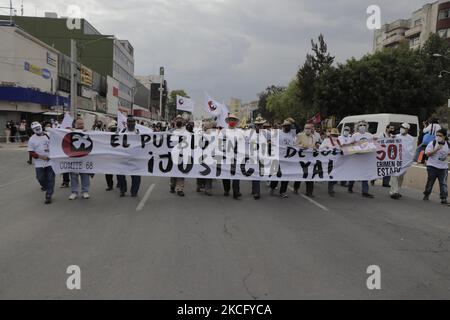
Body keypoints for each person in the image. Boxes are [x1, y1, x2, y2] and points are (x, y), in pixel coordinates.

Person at [28, 122, 55, 204]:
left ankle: (49, 195)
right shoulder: (32, 139)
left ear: (41, 126)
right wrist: (41, 157)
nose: (37, 129)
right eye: (35, 128)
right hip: (39, 163)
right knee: (40, 178)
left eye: (38, 127)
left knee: (51, 179)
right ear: (33, 130)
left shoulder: (48, 135)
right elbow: (31, 152)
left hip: (50, 162)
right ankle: (47, 187)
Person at [347, 120, 375, 198]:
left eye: (364, 125)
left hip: (366, 158)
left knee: (365, 174)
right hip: (356, 157)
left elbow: (373, 144)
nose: (362, 126)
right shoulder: (355, 135)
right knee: (354, 173)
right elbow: (350, 145)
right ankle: (350, 186)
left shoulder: (369, 135)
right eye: (360, 125)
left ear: (366, 126)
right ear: (358, 127)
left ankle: (365, 191)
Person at [423, 129, 449, 205]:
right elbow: (427, 154)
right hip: (432, 166)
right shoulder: (432, 143)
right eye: (437, 135)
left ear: (444, 136)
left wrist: (446, 157)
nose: (438, 137)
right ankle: (427, 193)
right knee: (430, 181)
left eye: (440, 135)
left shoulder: (448, 144)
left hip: (443, 168)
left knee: (443, 183)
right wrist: (436, 149)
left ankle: (443, 198)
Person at [117, 116, 142, 197]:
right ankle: (122, 190)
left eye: (132, 123)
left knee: (136, 176)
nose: (131, 124)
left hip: (135, 157)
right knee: (120, 174)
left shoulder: (139, 133)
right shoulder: (122, 132)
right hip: (123, 157)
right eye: (129, 122)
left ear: (135, 124)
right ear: (126, 124)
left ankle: (134, 191)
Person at [271, 119, 296, 198]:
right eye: (286, 126)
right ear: (283, 126)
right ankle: (272, 186)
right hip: (278, 158)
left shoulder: (292, 135)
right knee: (277, 174)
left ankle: (283, 191)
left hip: (288, 159)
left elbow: (295, 145)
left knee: (286, 176)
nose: (288, 127)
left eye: (289, 126)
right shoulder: (278, 133)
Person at [390, 123, 415, 200]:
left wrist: (411, 158)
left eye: (403, 128)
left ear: (407, 129)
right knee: (394, 174)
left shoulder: (411, 138)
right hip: (396, 160)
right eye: (401, 127)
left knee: (400, 176)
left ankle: (396, 189)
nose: (401, 129)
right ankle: (394, 192)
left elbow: (411, 149)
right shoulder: (396, 136)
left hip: (405, 161)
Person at [69, 118, 91, 200]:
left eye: (82, 124)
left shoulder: (87, 133)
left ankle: (85, 191)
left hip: (84, 157)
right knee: (74, 176)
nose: (81, 125)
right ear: (75, 125)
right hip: (73, 157)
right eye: (79, 124)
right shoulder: (69, 133)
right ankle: (74, 192)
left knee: (85, 175)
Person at [294, 123, 316, 197]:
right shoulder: (300, 135)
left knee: (310, 175)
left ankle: (309, 192)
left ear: (311, 129)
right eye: (306, 128)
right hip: (301, 159)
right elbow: (295, 145)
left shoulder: (313, 137)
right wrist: (302, 147)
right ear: (304, 129)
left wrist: (315, 147)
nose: (307, 130)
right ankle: (296, 187)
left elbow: (314, 146)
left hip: (310, 159)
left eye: (309, 128)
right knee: (300, 174)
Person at [222, 114, 242, 200]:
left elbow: (242, 143)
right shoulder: (223, 131)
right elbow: (220, 143)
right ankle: (226, 189)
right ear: (228, 121)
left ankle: (236, 191)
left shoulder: (239, 132)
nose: (232, 121)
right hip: (226, 156)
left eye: (234, 120)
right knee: (226, 174)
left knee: (236, 174)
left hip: (236, 156)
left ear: (236, 122)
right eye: (231, 120)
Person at [320, 128, 342, 197]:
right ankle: (330, 190)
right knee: (331, 175)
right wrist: (326, 148)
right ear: (331, 135)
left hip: (337, 161)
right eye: (333, 135)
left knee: (336, 176)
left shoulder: (339, 141)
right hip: (329, 161)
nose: (335, 137)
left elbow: (342, 148)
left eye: (336, 135)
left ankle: (331, 187)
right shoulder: (326, 141)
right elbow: (320, 148)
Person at [169, 115, 187, 197]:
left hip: (183, 155)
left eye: (180, 120)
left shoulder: (186, 132)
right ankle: (172, 185)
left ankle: (180, 189)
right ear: (175, 122)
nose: (179, 121)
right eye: (177, 120)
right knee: (174, 172)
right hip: (173, 155)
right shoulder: (170, 132)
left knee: (181, 172)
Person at [105, 121, 118, 191]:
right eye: (111, 128)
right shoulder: (104, 136)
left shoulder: (120, 135)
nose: (112, 129)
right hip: (108, 157)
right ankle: (110, 185)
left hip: (117, 157)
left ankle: (120, 183)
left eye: (114, 128)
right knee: (108, 172)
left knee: (119, 172)